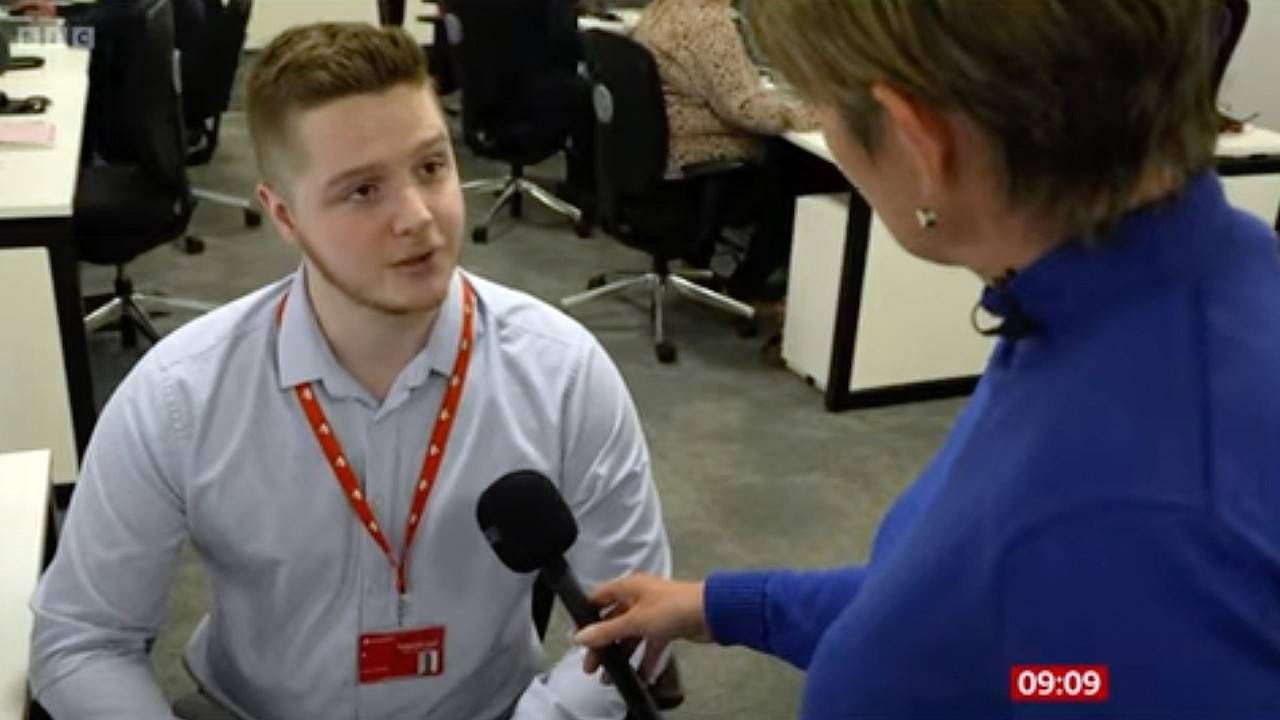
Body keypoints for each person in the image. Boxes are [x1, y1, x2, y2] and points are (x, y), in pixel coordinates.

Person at [576, 0, 1280, 717]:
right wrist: (721, 607)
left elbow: (1043, 658)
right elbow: (1016, 645)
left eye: (816, 98)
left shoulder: (1111, 515)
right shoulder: (1163, 291)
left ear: (920, 145)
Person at [29, 22, 671, 720]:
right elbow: (82, 638)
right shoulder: (181, 395)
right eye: (363, 191)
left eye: (431, 167)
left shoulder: (565, 375)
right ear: (283, 214)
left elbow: (633, 621)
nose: (418, 218)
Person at [632, 0, 824, 302]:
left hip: (660, 158)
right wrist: (820, 115)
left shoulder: (665, 7)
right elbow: (747, 110)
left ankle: (702, 255)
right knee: (804, 173)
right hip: (698, 163)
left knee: (790, 159)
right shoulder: (708, 23)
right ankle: (749, 283)